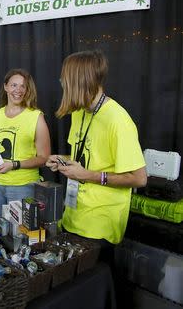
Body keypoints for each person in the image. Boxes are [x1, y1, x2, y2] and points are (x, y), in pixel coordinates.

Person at [45, 50, 146, 263]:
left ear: (79, 80)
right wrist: (62, 160)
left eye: (65, 78)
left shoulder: (117, 120)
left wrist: (89, 175)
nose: (62, 83)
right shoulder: (80, 112)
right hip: (74, 215)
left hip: (99, 225)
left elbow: (139, 178)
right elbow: (84, 157)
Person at [0, 69, 51, 218]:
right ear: (5, 87)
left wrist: (14, 164)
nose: (18, 90)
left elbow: (44, 158)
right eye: (13, 85)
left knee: (21, 234)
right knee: (0, 231)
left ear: (27, 90)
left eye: (23, 86)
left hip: (23, 186)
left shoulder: (35, 117)